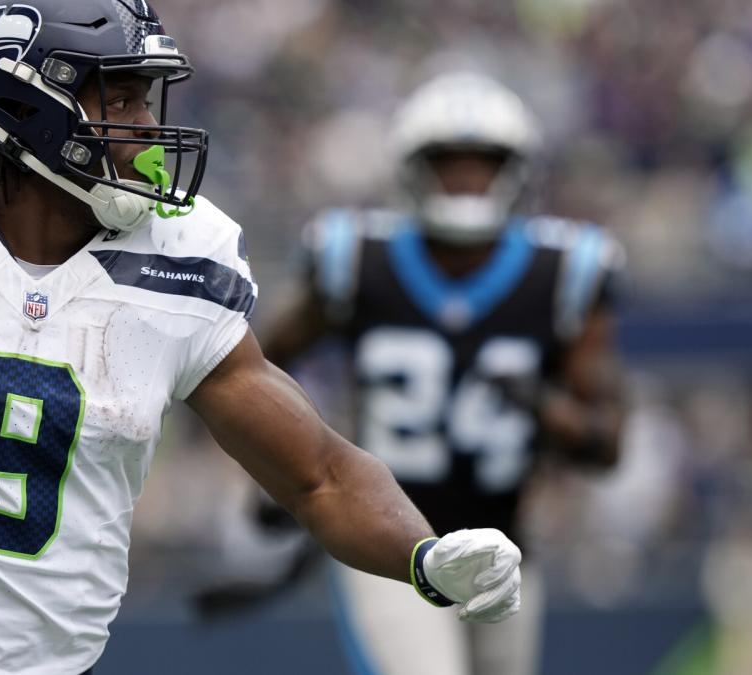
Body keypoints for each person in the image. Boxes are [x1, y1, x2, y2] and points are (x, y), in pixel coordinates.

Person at [0, 3, 524, 674]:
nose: (142, 125)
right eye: (118, 98)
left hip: (59, 657)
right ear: (21, 102)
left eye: (143, 98)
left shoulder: (180, 262)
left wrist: (423, 554)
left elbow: (319, 475)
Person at [255, 72, 626, 675]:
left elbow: (607, 444)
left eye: (483, 163)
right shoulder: (356, 260)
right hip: (385, 543)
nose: (466, 177)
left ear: (516, 170)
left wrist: (542, 405)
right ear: (413, 168)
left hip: (506, 548)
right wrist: (292, 473)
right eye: (448, 162)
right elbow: (256, 369)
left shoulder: (563, 273)